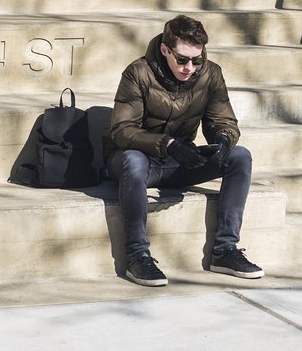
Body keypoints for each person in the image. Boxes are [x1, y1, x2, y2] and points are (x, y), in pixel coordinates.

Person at [103, 14, 263, 287]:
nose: (190, 67)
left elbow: (223, 121)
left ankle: (224, 251)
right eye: (182, 59)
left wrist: (223, 141)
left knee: (240, 156)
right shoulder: (138, 72)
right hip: (136, 161)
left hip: (180, 161)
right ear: (165, 50)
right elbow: (122, 130)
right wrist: (168, 144)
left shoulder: (211, 73)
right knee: (134, 161)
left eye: (197, 60)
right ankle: (137, 256)